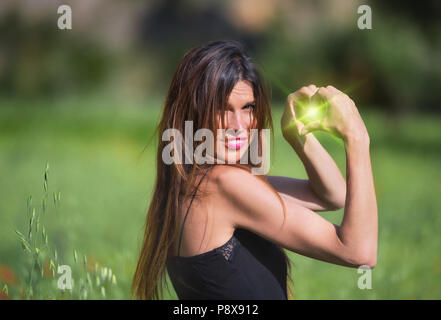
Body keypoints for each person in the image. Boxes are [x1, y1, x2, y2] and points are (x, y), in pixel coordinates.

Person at [132, 40, 377, 300]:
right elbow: (359, 252)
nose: (239, 125)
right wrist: (357, 137)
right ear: (192, 112)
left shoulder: (194, 182)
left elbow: (331, 196)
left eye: (247, 107)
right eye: (221, 109)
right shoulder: (224, 184)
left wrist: (297, 136)